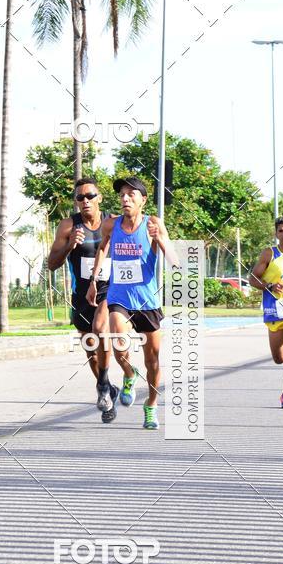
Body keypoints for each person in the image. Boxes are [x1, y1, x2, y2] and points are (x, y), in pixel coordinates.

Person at [87, 176, 176, 430]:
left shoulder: (153, 224)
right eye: (122, 195)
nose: (125, 199)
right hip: (119, 297)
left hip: (147, 301)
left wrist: (159, 239)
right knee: (119, 345)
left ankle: (151, 405)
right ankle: (128, 374)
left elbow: (171, 257)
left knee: (153, 361)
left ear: (143, 200)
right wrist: (95, 279)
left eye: (131, 195)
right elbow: (102, 249)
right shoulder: (110, 225)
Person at [48, 178, 119, 422]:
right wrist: (69, 245)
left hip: (110, 289)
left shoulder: (114, 223)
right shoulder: (68, 226)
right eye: (80, 197)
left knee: (101, 329)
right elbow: (52, 264)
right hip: (81, 293)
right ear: (76, 202)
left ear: (99, 198)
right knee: (91, 346)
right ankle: (107, 386)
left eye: (90, 196)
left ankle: (103, 386)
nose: (85, 201)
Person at [249, 215, 283, 408]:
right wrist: (270, 285)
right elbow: (253, 279)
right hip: (276, 310)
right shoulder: (269, 254)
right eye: (281, 231)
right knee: (279, 358)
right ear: (276, 233)